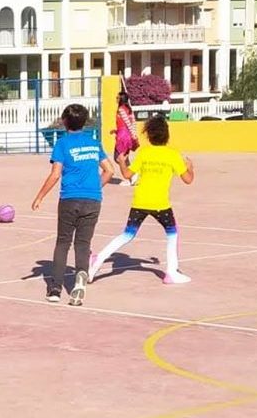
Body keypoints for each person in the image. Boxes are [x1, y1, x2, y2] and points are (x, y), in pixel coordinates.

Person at [90, 115, 195, 285]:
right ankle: (171, 272)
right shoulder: (173, 155)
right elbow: (188, 180)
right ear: (166, 134)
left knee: (126, 235)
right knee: (172, 233)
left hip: (140, 202)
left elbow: (127, 175)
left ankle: (97, 260)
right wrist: (191, 167)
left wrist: (122, 162)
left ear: (148, 135)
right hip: (160, 204)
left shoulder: (144, 153)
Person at [31, 105, 114, 306]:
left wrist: (40, 196)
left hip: (69, 199)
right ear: (84, 121)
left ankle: (55, 289)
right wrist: (95, 187)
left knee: (63, 242)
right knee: (83, 244)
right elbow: (109, 170)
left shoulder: (62, 144)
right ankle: (80, 281)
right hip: (93, 200)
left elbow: (55, 174)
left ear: (65, 121)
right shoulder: (94, 143)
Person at [113, 91, 140, 186]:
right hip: (125, 135)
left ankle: (131, 176)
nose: (116, 99)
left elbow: (128, 123)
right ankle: (131, 177)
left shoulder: (121, 109)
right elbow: (133, 122)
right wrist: (133, 134)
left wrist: (133, 134)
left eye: (118, 97)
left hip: (123, 136)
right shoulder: (129, 109)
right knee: (125, 158)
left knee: (119, 158)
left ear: (121, 99)